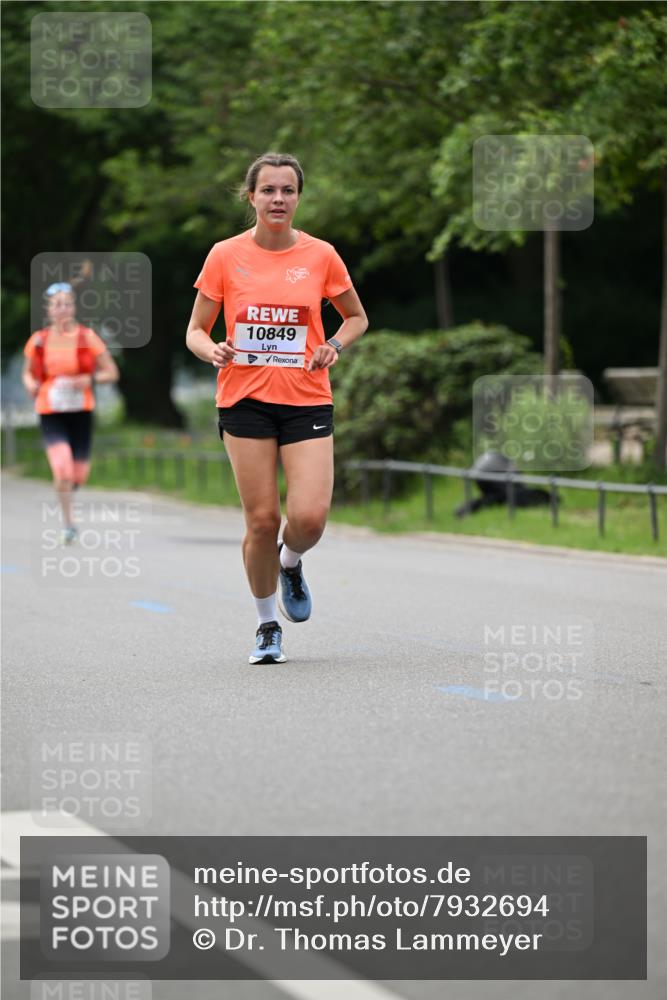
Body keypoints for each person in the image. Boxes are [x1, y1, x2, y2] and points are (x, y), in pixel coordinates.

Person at [186, 152, 368, 664]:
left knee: (308, 518)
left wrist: (334, 343)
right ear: (252, 197)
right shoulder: (224, 255)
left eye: (288, 191)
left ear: (298, 198)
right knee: (262, 520)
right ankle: (268, 625)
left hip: (306, 397)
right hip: (243, 398)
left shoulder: (321, 255)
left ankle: (292, 563)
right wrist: (212, 350)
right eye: (268, 190)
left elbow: (356, 317)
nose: (278, 199)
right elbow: (196, 330)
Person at [22, 281, 120, 544]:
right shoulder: (39, 340)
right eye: (57, 305)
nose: (62, 309)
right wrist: (31, 384)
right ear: (48, 310)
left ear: (74, 307)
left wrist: (89, 379)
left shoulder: (86, 337)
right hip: (50, 410)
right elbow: (28, 373)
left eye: (67, 303)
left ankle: (67, 487)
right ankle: (69, 524)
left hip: (80, 410)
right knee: (63, 469)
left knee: (78, 475)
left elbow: (111, 372)